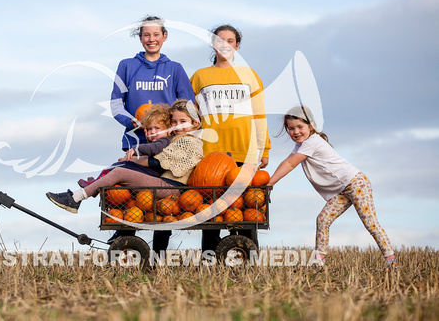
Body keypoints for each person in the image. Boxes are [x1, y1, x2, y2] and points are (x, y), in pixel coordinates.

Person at [46, 99, 203, 254]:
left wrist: (136, 151)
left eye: (183, 121)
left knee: (121, 172)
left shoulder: (187, 142)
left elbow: (156, 161)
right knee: (128, 186)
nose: (178, 126)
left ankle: (76, 198)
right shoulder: (177, 140)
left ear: (196, 123)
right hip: (168, 187)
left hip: (173, 189)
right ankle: (151, 255)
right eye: (174, 122)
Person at [267, 106, 397, 268]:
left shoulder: (312, 142)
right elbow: (287, 161)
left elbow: (291, 164)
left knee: (370, 223)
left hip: (355, 183)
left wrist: (270, 183)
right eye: (291, 128)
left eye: (300, 127)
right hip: (342, 190)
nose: (296, 132)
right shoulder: (301, 146)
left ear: (311, 126)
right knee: (323, 219)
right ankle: (319, 262)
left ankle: (391, 261)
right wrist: (269, 183)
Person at [190, 24, 271, 252]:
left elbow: (259, 114)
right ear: (213, 44)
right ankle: (209, 259)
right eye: (219, 40)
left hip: (242, 150)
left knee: (245, 208)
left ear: (237, 45)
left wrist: (263, 148)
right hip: (209, 152)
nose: (225, 44)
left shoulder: (249, 74)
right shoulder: (199, 76)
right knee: (210, 209)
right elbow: (189, 114)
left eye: (230, 40)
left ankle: (248, 257)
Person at [110, 15, 195, 151]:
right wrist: (131, 122)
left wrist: (173, 124)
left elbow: (188, 105)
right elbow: (116, 103)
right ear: (140, 38)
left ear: (164, 36)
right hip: (135, 140)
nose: (151, 39)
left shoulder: (175, 68)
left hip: (168, 142)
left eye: (156, 34)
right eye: (146, 35)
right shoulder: (126, 66)